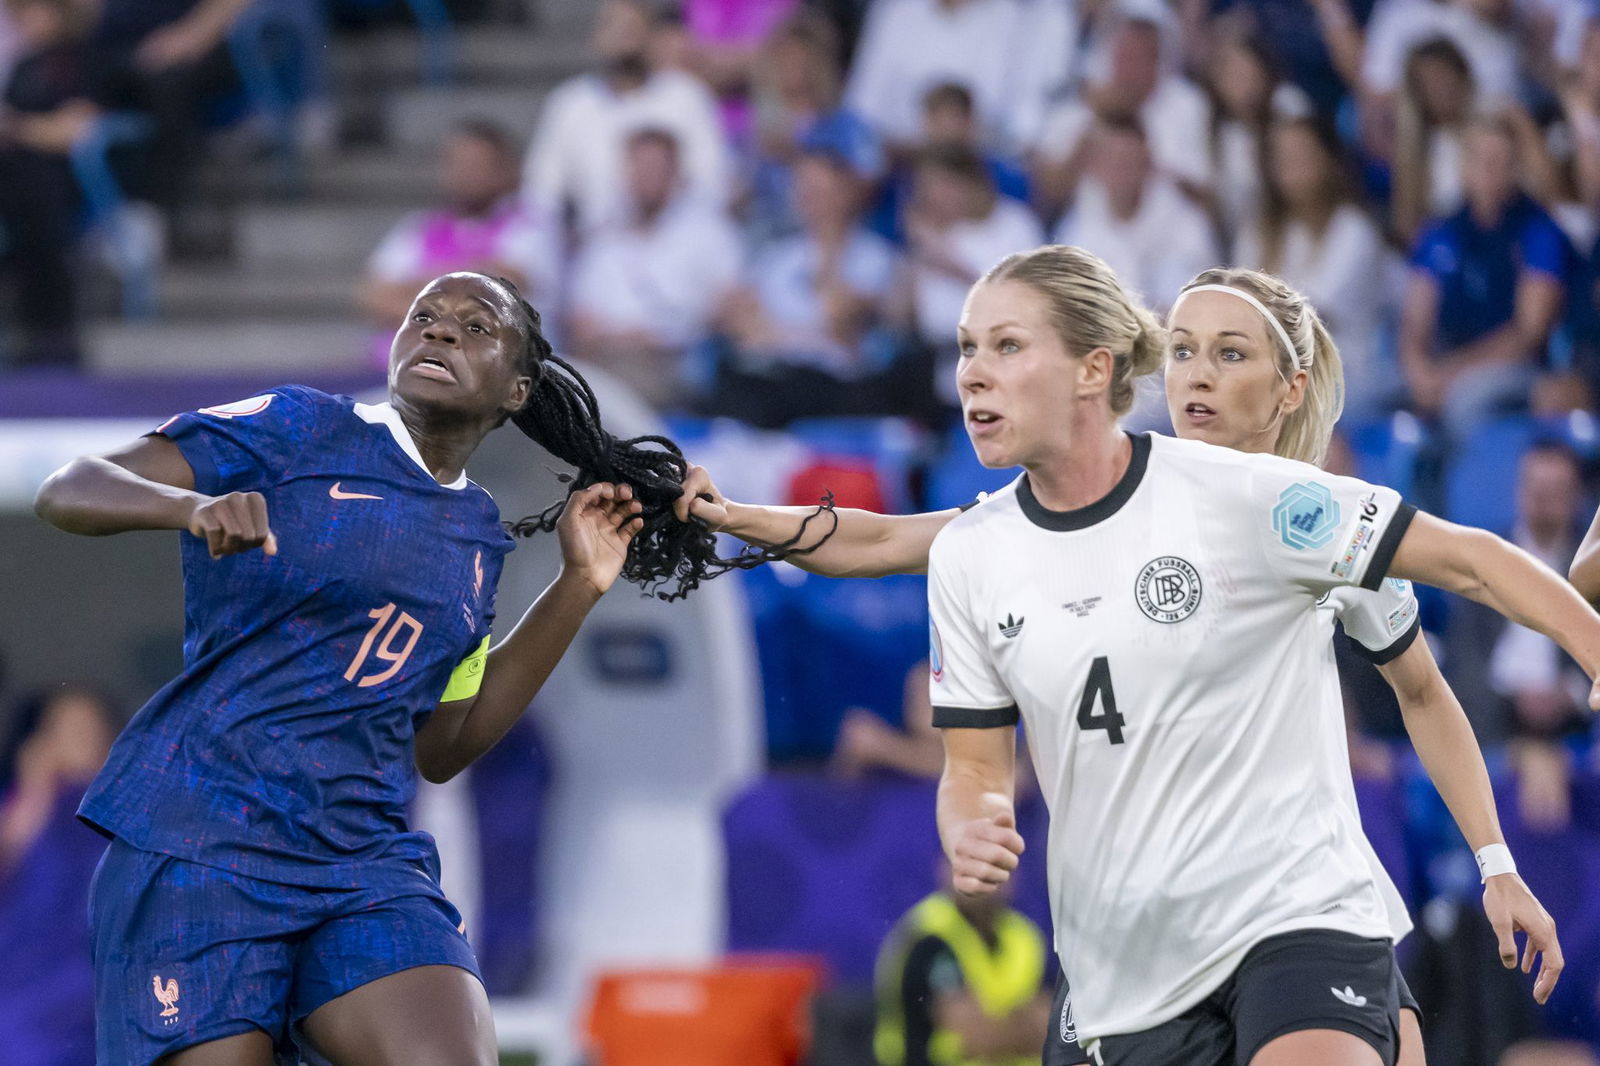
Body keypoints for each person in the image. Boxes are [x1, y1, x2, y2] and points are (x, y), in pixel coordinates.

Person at [677, 250, 1586, 1065]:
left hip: (1295, 908)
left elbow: (1457, 603)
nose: (972, 374)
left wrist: (1498, 854)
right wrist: (736, 518)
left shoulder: (1280, 504)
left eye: (1004, 346)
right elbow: (881, 549)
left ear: (1094, 369)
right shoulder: (982, 549)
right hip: (1125, 961)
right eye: (964, 348)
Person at [30, 271, 791, 1064]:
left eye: (475, 325)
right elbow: (68, 488)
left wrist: (578, 585)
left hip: (359, 861)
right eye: (423, 316)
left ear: (517, 389)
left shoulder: (477, 538)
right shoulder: (297, 427)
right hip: (201, 844)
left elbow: (444, 744)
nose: (439, 331)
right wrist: (187, 508)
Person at [1399, 114, 1570, 440]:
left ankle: (1451, 489)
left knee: (1466, 402)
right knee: (1361, 393)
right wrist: (1417, 368)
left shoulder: (1538, 232)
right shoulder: (1441, 231)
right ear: (1464, 165)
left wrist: (1450, 374)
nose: (1488, 171)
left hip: (1515, 368)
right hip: (1443, 358)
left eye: (1500, 161)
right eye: (1480, 159)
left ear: (1516, 169)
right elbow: (1414, 320)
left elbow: (1528, 334)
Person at [566, 126, 743, 409]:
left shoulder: (710, 232)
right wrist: (618, 338)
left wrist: (666, 336)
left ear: (675, 173)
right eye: (640, 167)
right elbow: (580, 321)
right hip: (608, 357)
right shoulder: (603, 238)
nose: (647, 176)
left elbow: (731, 308)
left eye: (656, 167)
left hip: (674, 362)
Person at [360, 119, 559, 368]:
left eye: (477, 165)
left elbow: (503, 292)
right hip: (401, 371)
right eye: (456, 163)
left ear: (507, 170)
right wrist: (466, 282)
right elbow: (376, 298)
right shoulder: (419, 227)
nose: (465, 174)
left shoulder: (533, 224)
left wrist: (419, 289)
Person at [521, 0, 731, 235]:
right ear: (596, 38)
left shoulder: (686, 95)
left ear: (653, 37)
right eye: (614, 25)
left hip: (675, 240)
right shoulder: (569, 103)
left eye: (633, 26)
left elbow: (711, 184)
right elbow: (542, 193)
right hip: (593, 245)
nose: (624, 33)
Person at [1235, 116, 1393, 420]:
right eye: (1282, 158)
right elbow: (1240, 308)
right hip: (1269, 371)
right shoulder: (1258, 232)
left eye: (1301, 155)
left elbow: (1309, 319)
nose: (1290, 167)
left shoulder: (1353, 231)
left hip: (1341, 375)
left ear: (1327, 159)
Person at [0, 684, 118, 1066]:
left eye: (93, 727)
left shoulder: (120, 817)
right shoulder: (20, 809)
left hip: (101, 1007)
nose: (86, 739)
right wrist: (35, 791)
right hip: (29, 1009)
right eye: (68, 728)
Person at [873, 858, 1052, 1066]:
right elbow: (975, 1037)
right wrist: (1022, 1024)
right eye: (972, 861)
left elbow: (1053, 1027)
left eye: (997, 862)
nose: (984, 872)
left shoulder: (1025, 936)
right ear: (944, 868)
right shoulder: (928, 935)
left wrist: (998, 1026)